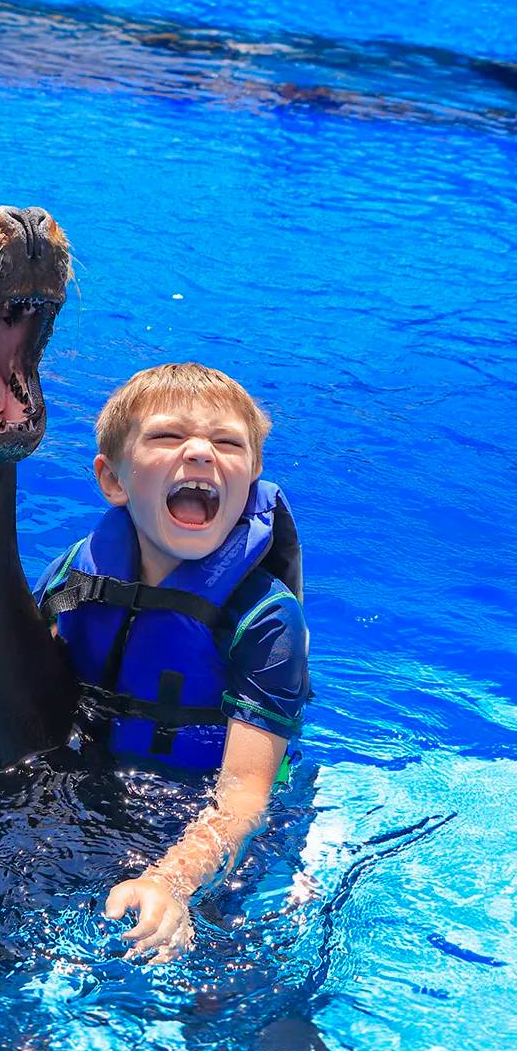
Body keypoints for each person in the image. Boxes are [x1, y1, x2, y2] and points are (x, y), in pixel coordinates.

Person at [35, 362, 310, 964]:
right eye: (166, 436)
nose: (201, 454)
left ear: (252, 474)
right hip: (92, 786)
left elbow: (243, 796)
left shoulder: (265, 619)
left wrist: (172, 882)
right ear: (114, 480)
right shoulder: (74, 577)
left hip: (214, 815)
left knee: (223, 986)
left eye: (228, 442)